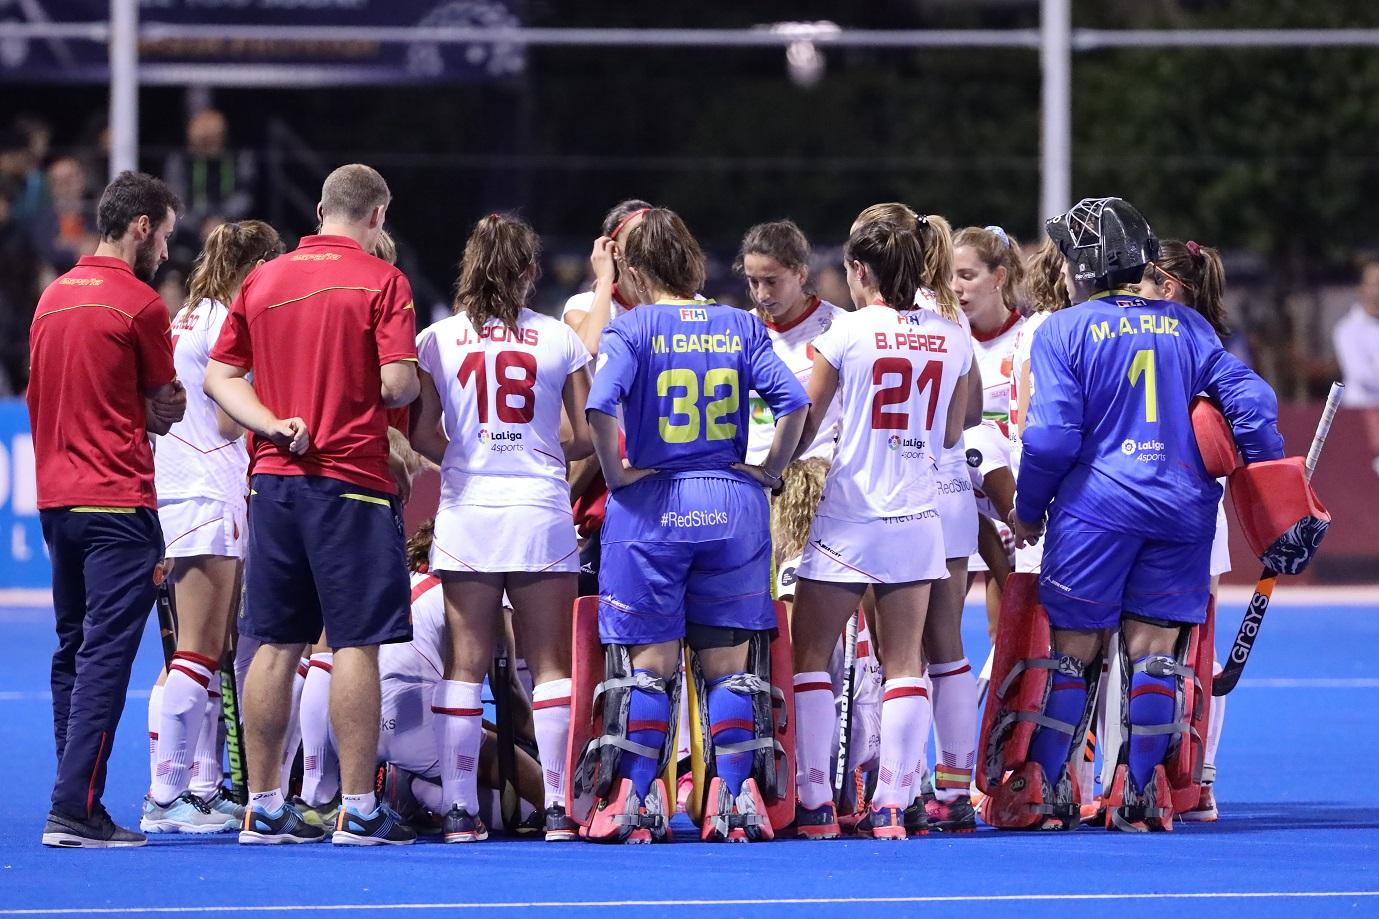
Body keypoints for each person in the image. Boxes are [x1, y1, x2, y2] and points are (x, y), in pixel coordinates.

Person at [1008, 197, 1287, 831]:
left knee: (1073, 656)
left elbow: (1051, 438)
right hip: (1182, 507)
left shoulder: (1064, 329)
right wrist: (1263, 476)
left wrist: (1029, 512)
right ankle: (1138, 791)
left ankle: (1046, 792)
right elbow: (1257, 403)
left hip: (1095, 511)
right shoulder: (1191, 329)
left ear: (1083, 265)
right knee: (1156, 654)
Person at [205, 163, 420, 846]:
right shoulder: (383, 281)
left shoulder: (262, 280)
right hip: (351, 480)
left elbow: (219, 377)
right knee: (355, 642)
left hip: (273, 480)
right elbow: (396, 385)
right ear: (377, 215)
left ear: (323, 208)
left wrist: (270, 422)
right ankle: (357, 808)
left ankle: (264, 806)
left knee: (273, 642)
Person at [583, 207, 808, 843]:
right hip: (732, 504)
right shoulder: (741, 324)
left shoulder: (633, 329)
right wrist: (769, 470)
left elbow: (600, 406)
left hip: (653, 507)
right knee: (731, 667)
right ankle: (737, 799)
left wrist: (618, 473)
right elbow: (793, 400)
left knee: (648, 666)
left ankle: (635, 800)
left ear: (630, 267)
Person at [408, 213, 593, 843]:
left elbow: (423, 431)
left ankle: (460, 809)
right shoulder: (559, 338)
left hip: (469, 510)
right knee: (550, 668)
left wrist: (471, 451)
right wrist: (537, 447)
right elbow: (587, 435)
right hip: (539, 509)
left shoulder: (437, 340)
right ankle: (560, 808)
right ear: (529, 273)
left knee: (464, 665)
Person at [791, 211, 971, 840]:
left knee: (811, 656)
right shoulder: (954, 337)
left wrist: (769, 468)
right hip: (916, 517)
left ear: (860, 270)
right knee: (904, 665)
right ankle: (893, 803)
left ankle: (814, 802)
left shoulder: (847, 331)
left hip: (849, 515)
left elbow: (806, 421)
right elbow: (952, 432)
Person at [30, 171, 186, 847]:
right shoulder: (139, 303)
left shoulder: (52, 297)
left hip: (57, 498)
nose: (167, 254)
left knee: (73, 646)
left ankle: (72, 791)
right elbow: (169, 399)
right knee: (106, 655)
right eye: (167, 237)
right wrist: (151, 408)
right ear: (143, 226)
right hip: (117, 498)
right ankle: (76, 805)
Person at [141, 220, 284, 834]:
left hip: (170, 489)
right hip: (206, 492)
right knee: (200, 651)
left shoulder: (189, 314)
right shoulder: (231, 322)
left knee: (188, 654)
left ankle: (197, 786)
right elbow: (230, 425)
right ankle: (165, 795)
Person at [1131, 238, 1235, 822]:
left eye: (1144, 283)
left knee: (1175, 648)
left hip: (1167, 504)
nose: (1134, 295)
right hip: (1194, 509)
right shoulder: (1211, 341)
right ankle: (1196, 779)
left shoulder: (1176, 341)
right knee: (1190, 647)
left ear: (1166, 288)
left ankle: (1189, 777)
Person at [952, 225, 1026, 637]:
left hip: (1010, 507)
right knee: (933, 639)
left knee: (1006, 636)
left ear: (998, 278)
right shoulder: (945, 339)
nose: (956, 288)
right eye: (950, 277)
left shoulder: (1029, 337)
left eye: (967, 276)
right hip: (958, 503)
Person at [733, 220, 844, 468]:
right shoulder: (738, 330)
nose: (761, 294)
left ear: (801, 274)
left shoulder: (841, 327)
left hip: (817, 482)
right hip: (753, 477)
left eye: (772, 281)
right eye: (753, 281)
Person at [1333, 257, 1379, 477]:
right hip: (1360, 415)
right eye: (1374, 283)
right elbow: (1361, 375)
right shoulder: (1347, 329)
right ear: (1363, 288)